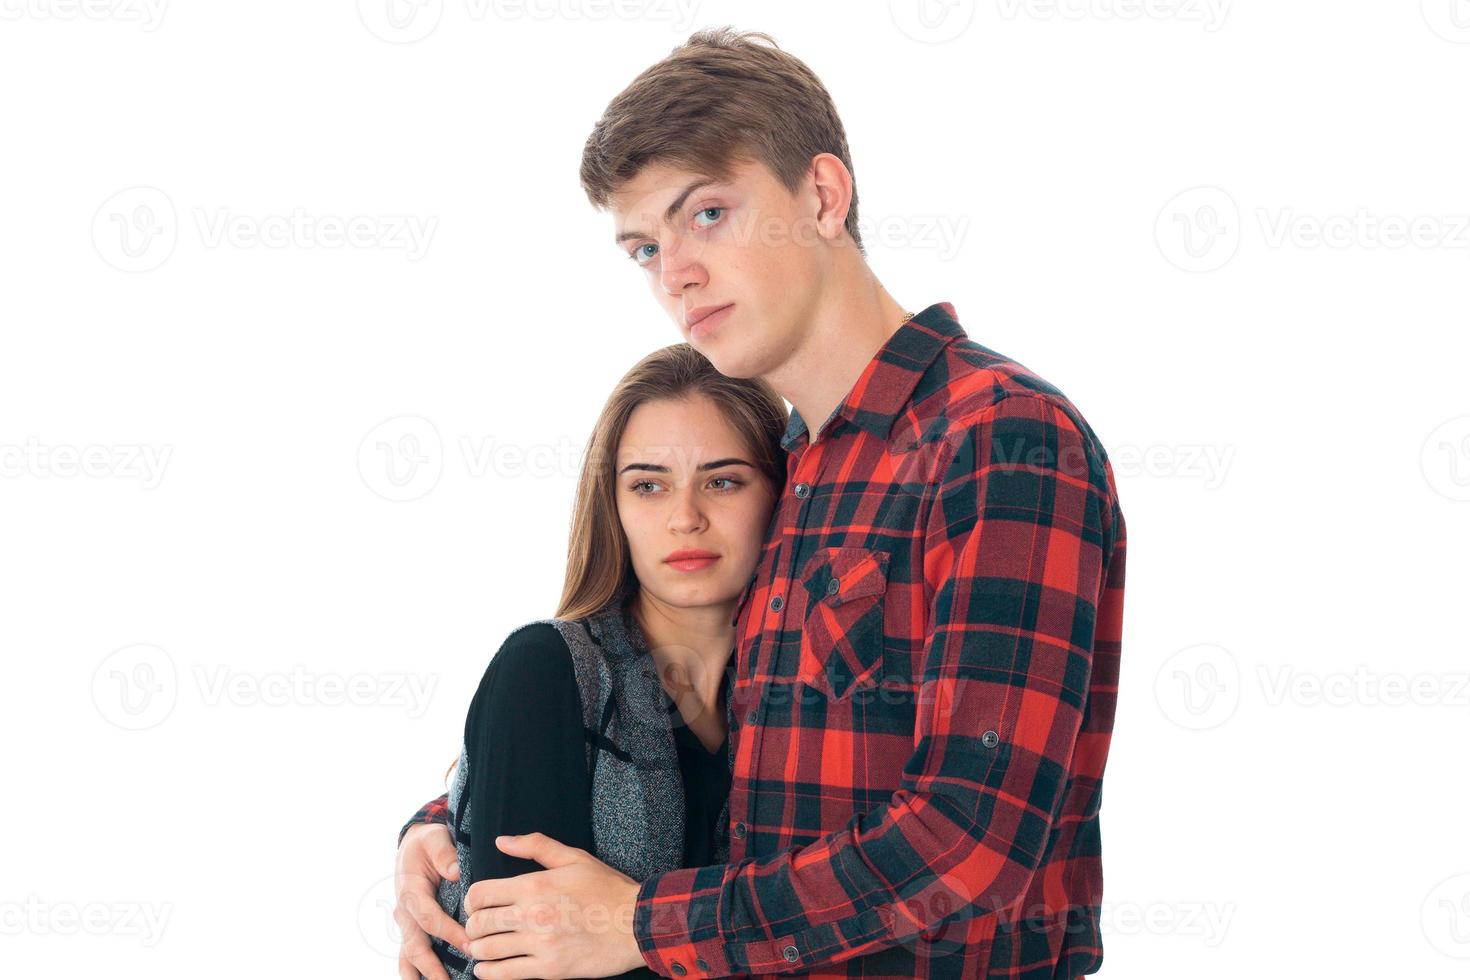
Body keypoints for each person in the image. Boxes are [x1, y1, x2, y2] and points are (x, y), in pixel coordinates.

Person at [396, 27, 1127, 980]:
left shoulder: (996, 440)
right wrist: (447, 821)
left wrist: (640, 925)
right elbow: (679, 714)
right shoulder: (793, 467)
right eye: (643, 247)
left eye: (707, 214)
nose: (674, 274)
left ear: (823, 197)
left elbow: (970, 839)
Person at [403, 343, 785, 979]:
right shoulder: (545, 670)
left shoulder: (807, 697)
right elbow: (514, 962)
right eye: (649, 486)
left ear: (778, 494)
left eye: (722, 480)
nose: (685, 518)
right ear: (613, 507)